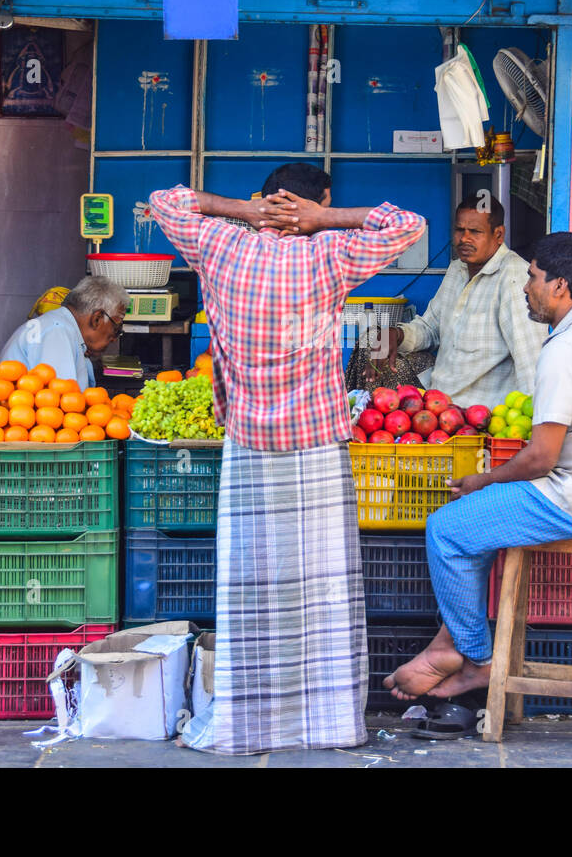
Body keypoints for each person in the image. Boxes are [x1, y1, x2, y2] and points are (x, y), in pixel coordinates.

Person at [148, 163, 425, 756]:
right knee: (323, 595)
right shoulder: (328, 253)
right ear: (315, 203)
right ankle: (327, 724)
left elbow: (165, 200)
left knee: (251, 595)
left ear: (269, 199)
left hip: (249, 443)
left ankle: (249, 726)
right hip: (317, 447)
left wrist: (247, 211)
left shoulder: (220, 245)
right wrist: (324, 219)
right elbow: (409, 224)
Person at [383, 231, 572, 703]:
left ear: (560, 286)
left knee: (447, 527)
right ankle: (448, 644)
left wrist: (480, 481)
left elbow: (540, 457)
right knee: (475, 530)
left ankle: (475, 657)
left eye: (532, 277)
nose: (525, 287)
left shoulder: (566, 348)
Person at [365, 194, 547, 407]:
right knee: (371, 345)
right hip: (438, 403)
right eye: (460, 230)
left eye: (475, 232)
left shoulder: (514, 277)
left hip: (480, 414)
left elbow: (531, 361)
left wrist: (532, 428)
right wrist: (395, 335)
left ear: (498, 235)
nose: (464, 239)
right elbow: (430, 328)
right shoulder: (457, 269)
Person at [0, 275, 127, 387]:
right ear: (97, 319)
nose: (115, 338)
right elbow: (63, 403)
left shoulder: (60, 326)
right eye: (116, 327)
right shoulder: (57, 333)